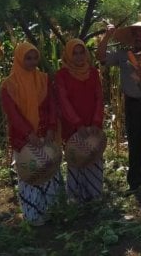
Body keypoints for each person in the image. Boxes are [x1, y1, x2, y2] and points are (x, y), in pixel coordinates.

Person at [97, 21, 141, 193]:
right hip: (132, 104)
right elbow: (101, 57)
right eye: (136, 35)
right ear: (131, 37)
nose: (139, 38)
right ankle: (135, 181)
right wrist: (106, 36)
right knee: (135, 143)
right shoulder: (122, 55)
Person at [0, 42, 62, 226]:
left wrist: (51, 128)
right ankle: (33, 216)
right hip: (24, 140)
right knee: (30, 174)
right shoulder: (9, 85)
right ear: (19, 58)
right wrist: (28, 134)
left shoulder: (43, 79)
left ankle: (53, 211)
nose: (32, 62)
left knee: (49, 172)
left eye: (35, 58)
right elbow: (13, 114)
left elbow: (52, 106)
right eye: (28, 58)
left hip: (45, 137)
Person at [56, 38, 105, 202]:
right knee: (76, 158)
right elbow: (63, 101)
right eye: (74, 53)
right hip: (72, 126)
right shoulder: (62, 75)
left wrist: (96, 122)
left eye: (82, 52)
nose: (79, 57)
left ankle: (94, 193)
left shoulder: (93, 72)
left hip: (93, 126)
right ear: (68, 56)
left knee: (93, 155)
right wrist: (77, 124)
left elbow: (99, 97)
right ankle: (76, 197)